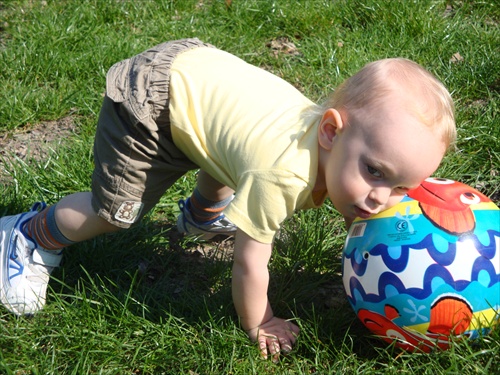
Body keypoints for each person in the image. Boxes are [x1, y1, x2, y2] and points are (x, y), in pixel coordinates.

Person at [0, 38, 456, 360]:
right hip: (155, 101)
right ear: (331, 131)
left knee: (224, 154)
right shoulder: (281, 175)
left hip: (197, 74)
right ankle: (28, 235)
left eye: (401, 186)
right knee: (117, 213)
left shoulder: (329, 151)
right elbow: (249, 265)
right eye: (374, 172)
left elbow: (238, 148)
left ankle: (203, 213)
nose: (382, 198)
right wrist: (262, 323)